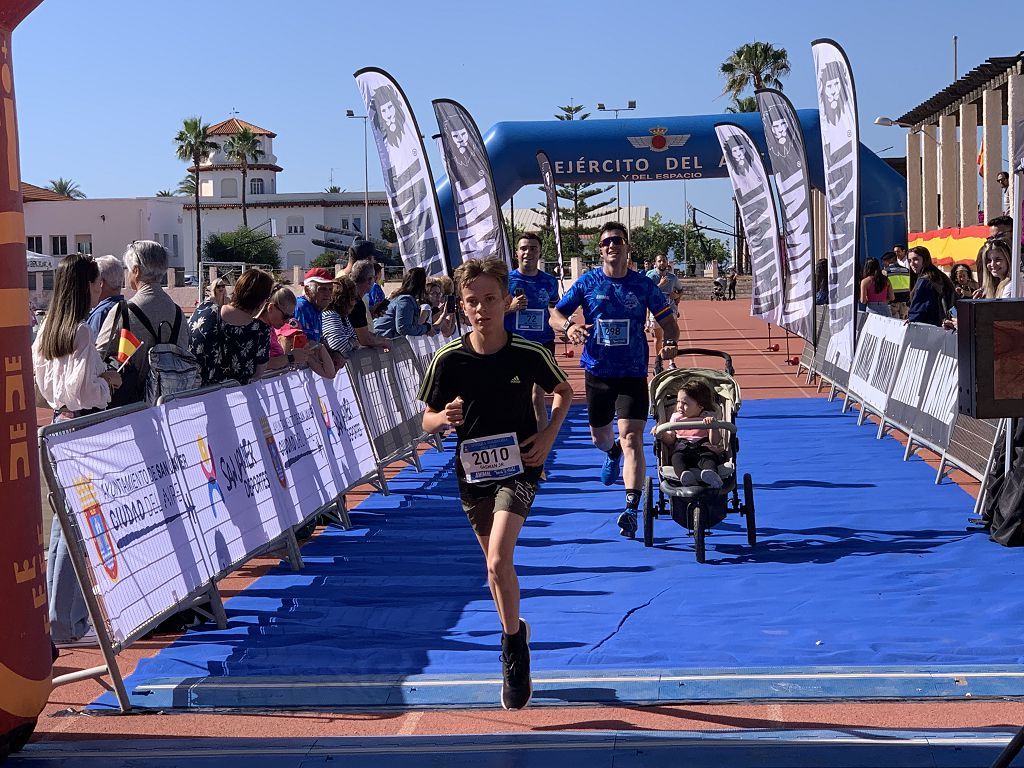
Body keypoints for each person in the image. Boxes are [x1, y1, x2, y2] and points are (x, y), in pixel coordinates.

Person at [418, 255, 572, 711]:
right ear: (462, 307)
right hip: (473, 474)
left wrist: (548, 434)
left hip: (520, 466)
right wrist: (441, 418)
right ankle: (516, 628)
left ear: (507, 301)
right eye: (472, 302)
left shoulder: (529, 353)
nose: (481, 309)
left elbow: (562, 391)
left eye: (489, 299)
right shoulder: (448, 360)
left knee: (499, 558)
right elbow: (424, 419)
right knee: (494, 568)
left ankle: (512, 650)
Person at [549, 221, 679, 538]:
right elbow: (555, 313)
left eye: (618, 240)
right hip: (597, 373)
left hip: (633, 373)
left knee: (634, 438)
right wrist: (568, 328)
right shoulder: (587, 282)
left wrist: (671, 341)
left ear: (627, 247)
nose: (612, 246)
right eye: (606, 242)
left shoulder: (643, 285)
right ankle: (611, 452)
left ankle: (631, 508)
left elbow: (669, 323)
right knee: (601, 438)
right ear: (600, 249)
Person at [33, 254, 122, 646]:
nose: (97, 289)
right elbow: (83, 392)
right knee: (77, 526)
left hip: (57, 424)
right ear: (84, 286)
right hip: (80, 427)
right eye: (93, 283)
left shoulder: (46, 330)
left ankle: (60, 617)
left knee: (61, 526)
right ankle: (68, 621)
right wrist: (108, 382)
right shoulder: (81, 332)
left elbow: (56, 390)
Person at [97, 240, 190, 406]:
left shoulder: (123, 311)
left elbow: (98, 357)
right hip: (170, 404)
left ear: (136, 270)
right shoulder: (178, 313)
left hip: (131, 407)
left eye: (128, 269)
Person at [504, 232, 560, 430]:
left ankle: (541, 444)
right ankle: (516, 438)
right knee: (515, 394)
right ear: (516, 253)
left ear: (539, 252)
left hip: (542, 345)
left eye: (533, 248)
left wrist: (566, 325)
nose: (528, 252)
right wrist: (510, 307)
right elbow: (491, 313)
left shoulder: (549, 281)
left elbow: (555, 308)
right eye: (524, 248)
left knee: (537, 395)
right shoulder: (505, 281)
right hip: (514, 345)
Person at [189, 267, 275, 385]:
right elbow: (258, 374)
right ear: (261, 302)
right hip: (235, 399)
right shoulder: (260, 331)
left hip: (192, 395)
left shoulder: (204, 309)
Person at [656, 379, 725, 487]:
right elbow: (670, 440)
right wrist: (660, 434)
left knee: (709, 459)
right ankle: (685, 475)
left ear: (700, 406)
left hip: (703, 450)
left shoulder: (707, 417)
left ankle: (710, 474)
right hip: (682, 449)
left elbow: (715, 442)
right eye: (678, 401)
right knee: (676, 458)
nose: (679, 406)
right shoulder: (675, 417)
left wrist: (713, 426)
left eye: (685, 403)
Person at [257, 283, 335, 377]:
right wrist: (290, 358)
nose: (287, 321)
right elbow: (257, 366)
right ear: (271, 308)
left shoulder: (269, 330)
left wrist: (319, 346)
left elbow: (330, 374)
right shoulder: (257, 331)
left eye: (290, 316)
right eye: (285, 316)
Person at [374, 267, 434, 338]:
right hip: (381, 340)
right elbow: (403, 328)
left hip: (380, 338)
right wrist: (426, 328)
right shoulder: (405, 300)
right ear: (421, 284)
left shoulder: (398, 297)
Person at [646, 253, 681, 374]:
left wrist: (676, 295)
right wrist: (660, 285)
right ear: (655, 263)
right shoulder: (650, 276)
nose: (662, 263)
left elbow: (680, 290)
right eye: (659, 261)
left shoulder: (672, 277)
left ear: (667, 263)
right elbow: (647, 292)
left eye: (664, 261)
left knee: (670, 338)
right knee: (658, 338)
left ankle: (671, 362)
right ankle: (658, 362)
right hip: (655, 311)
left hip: (670, 310)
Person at [906, 246, 955, 327]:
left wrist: (912, 318)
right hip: (944, 324)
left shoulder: (926, 280)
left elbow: (920, 307)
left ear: (924, 259)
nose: (912, 264)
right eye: (909, 260)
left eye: (916, 259)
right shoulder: (938, 275)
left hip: (931, 325)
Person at [349, 260, 391, 351]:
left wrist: (371, 313)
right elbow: (365, 339)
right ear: (370, 280)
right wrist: (384, 342)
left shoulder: (350, 296)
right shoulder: (356, 302)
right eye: (374, 278)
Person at [321, 276, 361, 364]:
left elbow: (355, 338)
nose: (355, 302)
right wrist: (352, 343)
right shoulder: (330, 315)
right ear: (344, 299)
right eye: (354, 298)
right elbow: (337, 345)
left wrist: (352, 342)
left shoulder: (343, 317)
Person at [85, 255, 124, 336]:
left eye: (92, 279)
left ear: (100, 283)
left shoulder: (100, 313)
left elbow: (94, 347)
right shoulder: (128, 307)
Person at [293, 267, 335, 343]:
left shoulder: (317, 307)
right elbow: (301, 344)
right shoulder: (301, 307)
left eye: (330, 289)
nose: (328, 294)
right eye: (322, 289)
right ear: (307, 290)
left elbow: (319, 340)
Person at [881, 251, 912, 319]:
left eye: (885, 261)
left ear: (890, 260)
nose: (883, 263)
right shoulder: (907, 271)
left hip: (892, 304)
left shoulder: (885, 272)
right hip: (905, 304)